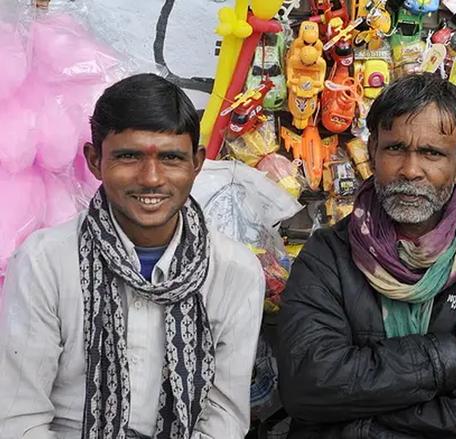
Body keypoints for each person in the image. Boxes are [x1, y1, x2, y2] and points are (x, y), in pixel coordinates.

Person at [0, 73, 265, 439]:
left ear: (197, 163)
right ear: (95, 161)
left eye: (171, 158)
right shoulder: (44, 262)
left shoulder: (235, 272)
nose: (152, 178)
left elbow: (224, 418)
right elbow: (19, 418)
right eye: (129, 156)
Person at [277, 73, 456, 438]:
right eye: (395, 148)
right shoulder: (328, 256)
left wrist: (363, 423)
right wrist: (442, 359)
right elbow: (308, 383)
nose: (411, 170)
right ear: (372, 154)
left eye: (432, 153)